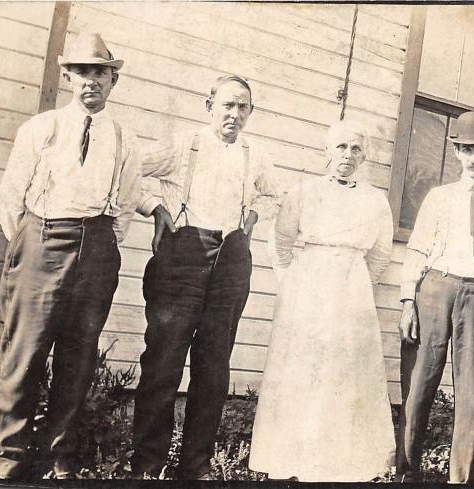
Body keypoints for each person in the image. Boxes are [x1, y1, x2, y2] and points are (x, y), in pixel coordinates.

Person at [0, 32, 140, 479]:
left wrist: (100, 243)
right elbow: (10, 197)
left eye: (100, 73)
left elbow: (127, 205)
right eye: (81, 73)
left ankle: (59, 457)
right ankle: (8, 459)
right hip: (41, 238)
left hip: (95, 246)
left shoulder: (122, 136)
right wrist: (31, 242)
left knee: (78, 354)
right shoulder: (42, 128)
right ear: (68, 78)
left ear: (112, 80)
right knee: (26, 351)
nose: (90, 82)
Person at [130, 75, 280, 479]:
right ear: (209, 104)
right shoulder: (184, 144)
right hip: (183, 254)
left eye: (243, 107)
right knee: (164, 362)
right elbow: (129, 167)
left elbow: (273, 194)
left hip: (231, 257)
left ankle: (195, 466)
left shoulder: (255, 155)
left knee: (213, 366)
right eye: (227, 105)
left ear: (251, 112)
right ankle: (148, 465)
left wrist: (251, 219)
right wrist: (155, 207)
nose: (234, 114)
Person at [248, 120, 395, 481]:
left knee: (344, 373)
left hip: (352, 290)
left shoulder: (375, 199)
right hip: (307, 285)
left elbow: (379, 255)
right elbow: (280, 244)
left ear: (365, 156)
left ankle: (339, 463)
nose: (348, 155)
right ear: (327, 151)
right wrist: (293, 285)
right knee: (302, 369)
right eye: (341, 147)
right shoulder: (304, 192)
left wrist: (357, 285)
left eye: (356, 149)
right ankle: (290, 460)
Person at [395, 111, 474, 483]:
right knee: (419, 387)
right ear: (456, 153)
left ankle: (460, 478)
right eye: (466, 150)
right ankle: (406, 474)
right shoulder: (439, 198)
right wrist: (407, 302)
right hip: (435, 291)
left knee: (471, 399)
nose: (473, 158)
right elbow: (417, 251)